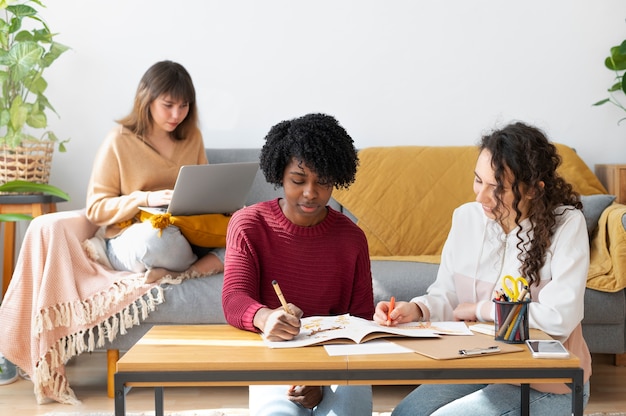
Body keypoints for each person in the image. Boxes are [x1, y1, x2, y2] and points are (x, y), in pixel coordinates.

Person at [374, 122, 592, 416]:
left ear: (532, 189)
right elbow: (449, 296)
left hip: (548, 381)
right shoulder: (466, 218)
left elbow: (559, 321)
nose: (481, 197)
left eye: (497, 188)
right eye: (478, 181)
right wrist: (416, 310)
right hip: (479, 366)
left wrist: (482, 309)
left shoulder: (567, 225)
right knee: (406, 414)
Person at [222, 113, 375, 416]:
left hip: (337, 359)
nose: (310, 193)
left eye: (323, 182)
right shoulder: (248, 225)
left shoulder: (352, 238)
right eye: (298, 180)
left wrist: (322, 376)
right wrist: (264, 317)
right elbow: (233, 298)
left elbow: (361, 320)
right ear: (280, 174)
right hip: (276, 356)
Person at [86, 60, 224, 283]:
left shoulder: (192, 137)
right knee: (157, 238)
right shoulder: (118, 140)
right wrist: (146, 199)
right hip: (136, 236)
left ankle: (182, 273)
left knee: (249, 236)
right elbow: (95, 209)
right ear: (146, 100)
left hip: (188, 233)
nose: (176, 115)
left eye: (184, 105)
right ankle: (199, 265)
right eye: (168, 105)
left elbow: (202, 192)